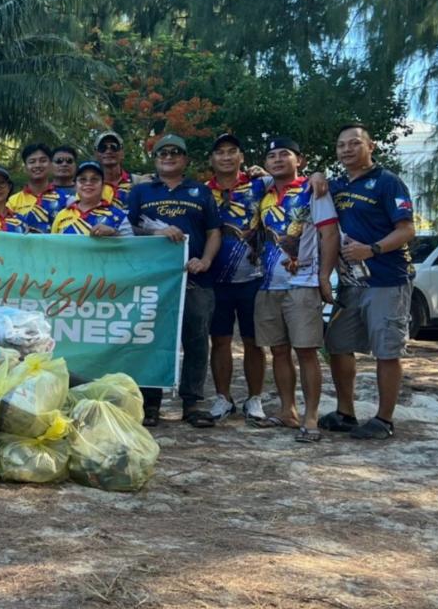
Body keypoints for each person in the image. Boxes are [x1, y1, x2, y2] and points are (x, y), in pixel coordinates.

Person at [320, 123, 416, 440]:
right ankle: (346, 412)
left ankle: (384, 420)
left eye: (354, 143)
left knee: (386, 349)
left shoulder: (388, 183)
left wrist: (371, 250)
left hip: (387, 279)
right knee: (338, 344)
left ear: (370, 146)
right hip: (350, 284)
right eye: (341, 145)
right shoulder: (337, 186)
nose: (347, 149)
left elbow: (406, 230)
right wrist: (316, 177)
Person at [128, 133, 221, 428]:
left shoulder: (200, 191)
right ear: (155, 160)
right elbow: (127, 230)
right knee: (151, 339)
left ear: (186, 159)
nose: (168, 157)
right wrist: (156, 232)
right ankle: (150, 402)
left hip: (194, 277)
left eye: (175, 152)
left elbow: (214, 232)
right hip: (153, 280)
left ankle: (193, 402)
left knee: (196, 340)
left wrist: (205, 261)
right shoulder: (141, 192)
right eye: (162, 153)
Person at [252, 137, 339, 442]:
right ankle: (287, 410)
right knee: (277, 351)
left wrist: (324, 277)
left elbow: (329, 235)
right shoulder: (262, 193)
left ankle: (311, 416)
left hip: (302, 283)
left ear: (299, 160)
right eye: (271, 156)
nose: (277, 159)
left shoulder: (313, 190)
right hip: (268, 283)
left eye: (284, 154)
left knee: (305, 351)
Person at [205, 133, 268, 423]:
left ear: (242, 157)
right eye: (220, 152)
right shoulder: (203, 191)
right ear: (211, 160)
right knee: (220, 341)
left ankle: (254, 399)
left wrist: (266, 171)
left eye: (232, 151)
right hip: (216, 279)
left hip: (254, 277)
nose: (226, 157)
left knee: (255, 342)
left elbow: (293, 182)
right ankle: (223, 398)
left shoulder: (260, 185)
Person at [50, 161, 132, 236]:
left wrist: (114, 233)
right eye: (82, 179)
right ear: (75, 186)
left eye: (94, 179)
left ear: (103, 185)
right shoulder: (62, 215)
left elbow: (132, 248)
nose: (88, 183)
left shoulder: (119, 216)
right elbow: (52, 247)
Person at [9, 143, 64, 233]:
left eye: (43, 161)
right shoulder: (12, 202)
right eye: (32, 162)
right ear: (25, 167)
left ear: (50, 165)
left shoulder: (64, 198)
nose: (37, 165)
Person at [96, 131, 141, 211]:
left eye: (114, 147)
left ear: (122, 153)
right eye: (103, 148)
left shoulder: (138, 182)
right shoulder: (91, 187)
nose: (108, 151)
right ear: (96, 154)